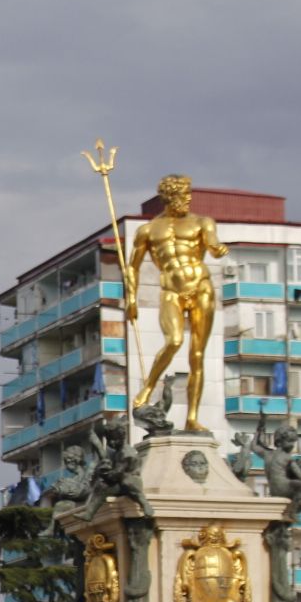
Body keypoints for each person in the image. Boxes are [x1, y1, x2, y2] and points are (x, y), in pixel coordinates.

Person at [127, 174, 228, 433]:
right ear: (169, 198)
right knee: (173, 341)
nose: (188, 199)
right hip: (171, 291)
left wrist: (217, 249)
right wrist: (130, 299)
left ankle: (192, 418)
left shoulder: (202, 222)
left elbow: (212, 243)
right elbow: (132, 267)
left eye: (188, 194)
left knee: (197, 355)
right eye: (182, 195)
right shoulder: (148, 230)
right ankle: (148, 387)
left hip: (200, 288)